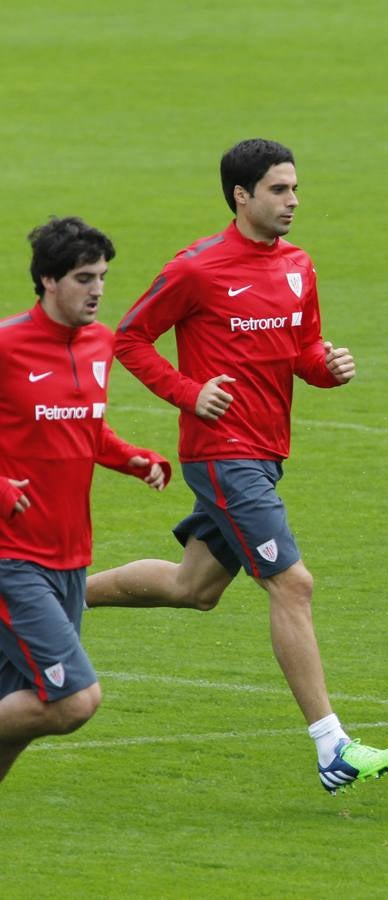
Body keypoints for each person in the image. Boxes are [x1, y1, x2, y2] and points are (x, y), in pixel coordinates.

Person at [85, 139, 388, 793]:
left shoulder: (298, 265)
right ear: (242, 196)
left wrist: (327, 368)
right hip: (222, 454)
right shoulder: (197, 269)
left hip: (265, 454)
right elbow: (129, 338)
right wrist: (188, 393)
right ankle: (331, 747)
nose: (293, 201)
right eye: (279, 190)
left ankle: (39, 594)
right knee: (293, 585)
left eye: (295, 189)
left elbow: (303, 349)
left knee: (191, 588)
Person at [0, 217, 171, 783]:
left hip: (71, 557)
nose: (98, 288)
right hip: (13, 559)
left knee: (21, 709)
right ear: (48, 281)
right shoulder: (6, 347)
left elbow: (84, 428)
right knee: (73, 700)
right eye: (83, 277)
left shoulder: (99, 343)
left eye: (102, 276)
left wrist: (132, 458)